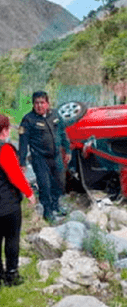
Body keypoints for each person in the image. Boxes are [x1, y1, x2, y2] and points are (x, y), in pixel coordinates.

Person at [18, 91, 70, 222]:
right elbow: (23, 143)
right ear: (33, 104)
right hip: (40, 159)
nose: (39, 105)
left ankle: (56, 206)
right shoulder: (28, 120)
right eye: (36, 103)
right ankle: (48, 212)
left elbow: (63, 133)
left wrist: (68, 150)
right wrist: (22, 162)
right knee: (45, 185)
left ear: (47, 103)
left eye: (42, 102)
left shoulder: (55, 114)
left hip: (56, 156)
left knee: (59, 183)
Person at [0, 114, 36, 286]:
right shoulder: (4, 149)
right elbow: (15, 176)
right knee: (12, 239)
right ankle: (11, 275)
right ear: (4, 130)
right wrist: (30, 194)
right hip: (7, 205)